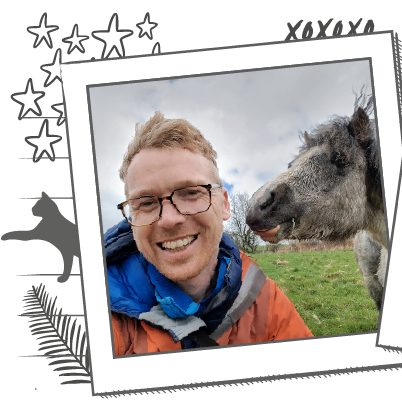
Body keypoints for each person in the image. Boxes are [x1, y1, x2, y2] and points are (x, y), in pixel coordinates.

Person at [104, 111, 312, 355]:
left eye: (191, 193)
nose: (169, 219)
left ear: (224, 203)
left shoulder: (265, 301)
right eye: (146, 202)